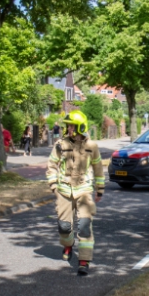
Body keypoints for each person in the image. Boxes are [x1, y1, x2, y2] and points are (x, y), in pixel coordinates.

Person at [46, 110, 105, 275]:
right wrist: (53, 185)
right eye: (68, 125)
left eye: (72, 125)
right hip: (64, 190)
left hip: (84, 190)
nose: (69, 128)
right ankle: (68, 244)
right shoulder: (60, 144)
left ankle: (84, 261)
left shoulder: (92, 146)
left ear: (80, 126)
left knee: (85, 226)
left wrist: (100, 189)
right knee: (64, 227)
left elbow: (99, 169)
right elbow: (51, 166)